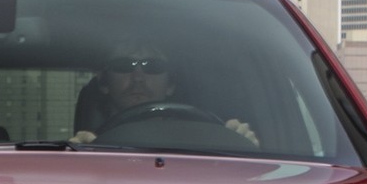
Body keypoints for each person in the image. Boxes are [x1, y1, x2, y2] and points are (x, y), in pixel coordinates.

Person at [71, 44, 259, 146]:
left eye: (153, 67)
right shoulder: (91, 148)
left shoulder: (205, 146)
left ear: (170, 85)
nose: (138, 77)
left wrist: (243, 147)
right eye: (123, 66)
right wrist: (77, 158)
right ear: (104, 83)